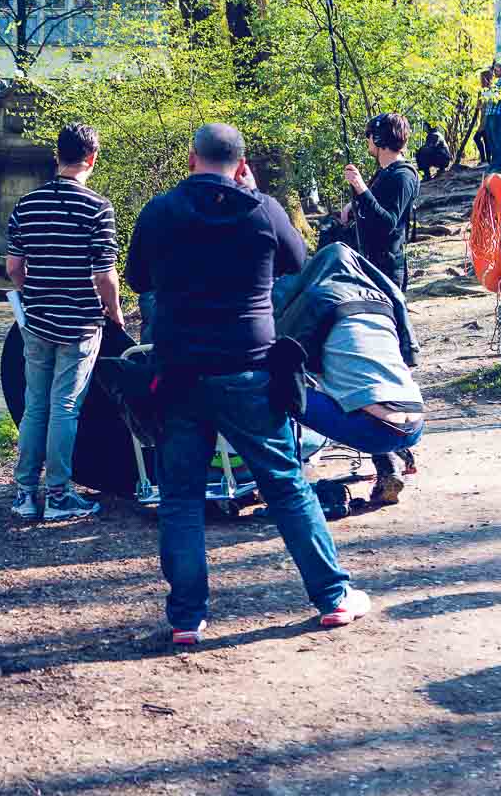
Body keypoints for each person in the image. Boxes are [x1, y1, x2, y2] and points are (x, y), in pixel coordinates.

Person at [124, 123, 369, 640]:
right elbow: (300, 265)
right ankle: (332, 597)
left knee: (182, 497)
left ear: (191, 159)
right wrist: (254, 193)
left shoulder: (159, 212)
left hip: (178, 373)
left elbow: (138, 280)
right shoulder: (263, 210)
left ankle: (187, 618)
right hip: (250, 370)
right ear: (240, 164)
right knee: (285, 485)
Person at [5, 122, 123, 522]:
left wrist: (32, 294)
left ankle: (24, 495)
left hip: (36, 321)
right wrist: (115, 311)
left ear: (57, 156)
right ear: (92, 158)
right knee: (65, 407)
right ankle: (58, 495)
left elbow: (14, 267)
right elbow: (104, 275)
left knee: (34, 406)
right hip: (80, 324)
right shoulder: (98, 208)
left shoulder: (26, 205)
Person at [274, 242, 424, 507]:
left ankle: (287, 486)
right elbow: (408, 356)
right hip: (415, 422)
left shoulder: (317, 298)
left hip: (373, 429)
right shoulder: (383, 299)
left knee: (277, 389)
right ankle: (389, 468)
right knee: (365, 389)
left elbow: (283, 355)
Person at [339, 112, 420, 291]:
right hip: (370, 264)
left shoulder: (403, 176)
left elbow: (388, 222)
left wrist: (361, 187)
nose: (368, 141)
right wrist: (353, 205)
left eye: (369, 136)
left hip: (387, 272)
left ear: (378, 138)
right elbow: (374, 204)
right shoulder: (385, 172)